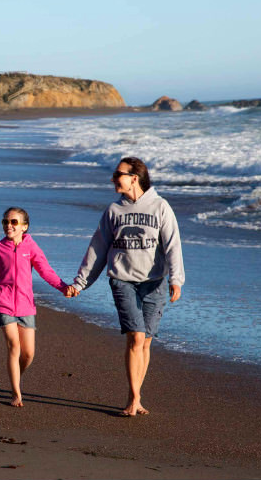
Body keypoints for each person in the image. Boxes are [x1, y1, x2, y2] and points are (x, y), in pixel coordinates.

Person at [66, 156, 184, 416]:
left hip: (154, 283)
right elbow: (97, 249)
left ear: (135, 177)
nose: (113, 178)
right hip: (122, 280)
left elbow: (173, 245)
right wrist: (81, 282)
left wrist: (176, 279)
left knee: (146, 342)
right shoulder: (113, 211)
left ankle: (137, 397)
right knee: (136, 337)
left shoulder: (160, 207)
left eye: (118, 174)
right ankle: (133, 398)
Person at [0, 207, 73, 407]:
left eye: (14, 222)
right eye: (6, 222)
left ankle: (15, 376)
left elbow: (46, 271)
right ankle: (16, 393)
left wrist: (63, 287)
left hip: (26, 305)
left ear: (24, 226)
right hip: (3, 303)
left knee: (28, 353)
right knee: (14, 346)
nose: (9, 225)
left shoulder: (31, 247)